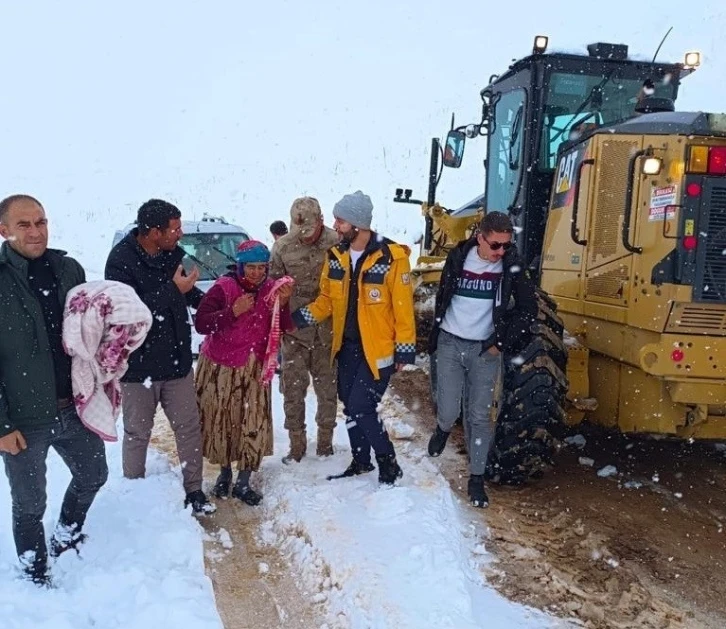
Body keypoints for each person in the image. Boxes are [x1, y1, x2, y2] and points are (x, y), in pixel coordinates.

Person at [0, 194, 108, 585]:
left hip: (73, 406)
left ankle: (67, 531)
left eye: (41, 222)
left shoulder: (67, 269)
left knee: (93, 475)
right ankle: (34, 571)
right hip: (24, 418)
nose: (35, 231)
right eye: (24, 225)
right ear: (4, 230)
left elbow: (87, 332)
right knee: (29, 504)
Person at [292, 191, 416, 485]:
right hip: (346, 348)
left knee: (362, 406)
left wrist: (404, 351)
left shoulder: (392, 258)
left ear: (359, 225)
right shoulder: (336, 257)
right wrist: (294, 320)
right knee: (349, 404)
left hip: (379, 350)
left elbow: (403, 308)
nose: (336, 226)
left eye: (341, 221)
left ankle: (389, 463)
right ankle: (361, 461)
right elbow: (325, 301)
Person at [105, 199, 214, 515]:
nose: (180, 234)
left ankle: (194, 491)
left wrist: (216, 306)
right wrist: (173, 290)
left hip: (177, 363)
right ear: (154, 232)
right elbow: (126, 310)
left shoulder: (172, 254)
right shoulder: (120, 261)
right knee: (138, 433)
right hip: (137, 368)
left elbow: (188, 291)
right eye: (175, 229)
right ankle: (134, 493)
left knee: (189, 427)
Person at [426, 211, 537, 508]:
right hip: (450, 341)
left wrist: (499, 343)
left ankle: (476, 478)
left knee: (479, 417)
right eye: (495, 245)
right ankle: (444, 427)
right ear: (480, 238)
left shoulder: (512, 265)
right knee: (449, 408)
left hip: (485, 350)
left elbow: (528, 309)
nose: (500, 251)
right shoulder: (458, 257)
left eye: (506, 245)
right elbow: (443, 294)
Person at [194, 240, 293, 505]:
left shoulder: (273, 290)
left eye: (262, 267)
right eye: (251, 267)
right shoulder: (224, 288)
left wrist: (282, 305)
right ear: (240, 266)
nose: (257, 273)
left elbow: (285, 326)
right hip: (221, 367)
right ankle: (224, 473)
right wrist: (232, 311)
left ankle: (243, 481)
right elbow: (201, 323)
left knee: (252, 421)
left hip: (255, 368)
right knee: (223, 420)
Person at [270, 197, 339, 463]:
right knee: (293, 392)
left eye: (309, 231)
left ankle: (325, 444)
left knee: (327, 393)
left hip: (327, 333)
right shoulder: (282, 247)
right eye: (300, 232)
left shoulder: (337, 243)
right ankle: (296, 445)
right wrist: (281, 297)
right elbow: (271, 290)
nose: (304, 237)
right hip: (295, 335)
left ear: (321, 221)